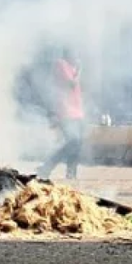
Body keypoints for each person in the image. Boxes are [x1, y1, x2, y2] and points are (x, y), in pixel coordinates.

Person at [38, 49, 86, 181]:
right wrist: (79, 70)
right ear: (68, 54)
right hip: (66, 111)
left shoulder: (72, 67)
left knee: (77, 145)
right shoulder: (61, 64)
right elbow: (72, 83)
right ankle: (46, 167)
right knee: (72, 141)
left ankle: (71, 175)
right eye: (75, 54)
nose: (77, 57)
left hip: (77, 112)